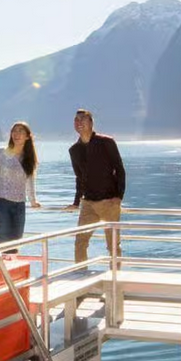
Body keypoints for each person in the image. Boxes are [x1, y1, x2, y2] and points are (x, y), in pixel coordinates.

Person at [66, 109, 126, 263]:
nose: (79, 123)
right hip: (88, 204)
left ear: (91, 123)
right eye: (76, 120)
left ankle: (116, 276)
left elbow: (119, 169)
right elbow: (79, 178)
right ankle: (80, 275)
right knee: (80, 242)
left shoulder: (107, 142)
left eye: (82, 119)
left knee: (113, 244)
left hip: (109, 202)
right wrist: (76, 202)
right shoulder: (74, 150)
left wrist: (119, 197)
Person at [0, 121, 41, 250]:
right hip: (2, 205)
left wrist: (33, 201)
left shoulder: (28, 158)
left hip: (20, 206)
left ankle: (11, 270)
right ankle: (3, 269)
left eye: (20, 131)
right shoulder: (1, 153)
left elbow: (29, 182)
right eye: (14, 131)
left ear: (27, 136)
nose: (16, 134)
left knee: (15, 246)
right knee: (4, 246)